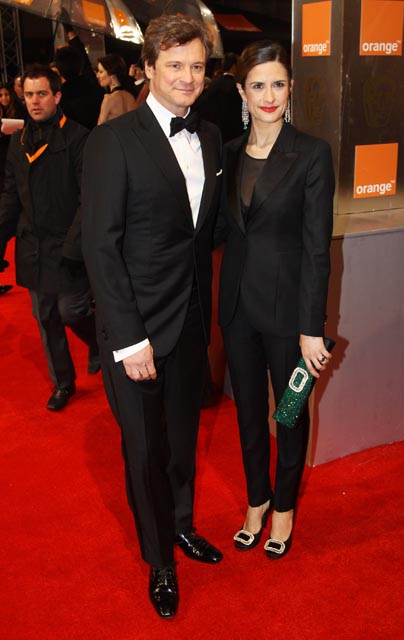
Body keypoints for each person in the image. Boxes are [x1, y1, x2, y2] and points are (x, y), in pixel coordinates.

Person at [81, 15, 223, 619]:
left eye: (197, 66)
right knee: (144, 451)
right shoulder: (113, 141)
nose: (188, 77)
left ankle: (182, 524)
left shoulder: (210, 136)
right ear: (147, 69)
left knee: (183, 439)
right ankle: (159, 559)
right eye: (175, 66)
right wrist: (128, 338)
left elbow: (202, 234)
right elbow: (100, 246)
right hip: (135, 330)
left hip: (190, 320)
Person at [217, 41, 335, 559]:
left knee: (287, 413)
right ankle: (257, 499)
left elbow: (316, 249)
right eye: (258, 85)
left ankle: (284, 506)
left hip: (289, 317)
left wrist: (312, 327)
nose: (269, 96)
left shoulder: (311, 153)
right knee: (247, 413)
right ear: (242, 92)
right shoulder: (226, 154)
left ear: (290, 89)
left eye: (278, 84)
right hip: (238, 311)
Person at [0, 65, 100, 410]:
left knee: (72, 311)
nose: (34, 101)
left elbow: (89, 199)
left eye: (42, 94)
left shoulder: (79, 138)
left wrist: (74, 245)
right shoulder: (19, 142)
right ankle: (63, 383)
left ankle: (98, 341)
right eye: (29, 95)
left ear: (57, 96)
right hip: (33, 246)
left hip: (69, 244)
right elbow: (10, 197)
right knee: (45, 317)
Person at [194, 52, 243, 142]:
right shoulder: (236, 86)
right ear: (234, 66)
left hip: (212, 133)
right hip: (232, 134)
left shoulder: (214, 82)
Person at [54, 46, 104, 130]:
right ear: (80, 66)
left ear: (59, 71)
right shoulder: (96, 89)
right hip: (97, 135)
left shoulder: (59, 97)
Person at [96, 54, 136, 124]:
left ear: (112, 75)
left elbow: (100, 128)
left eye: (101, 72)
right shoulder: (131, 97)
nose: (97, 75)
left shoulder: (108, 99)